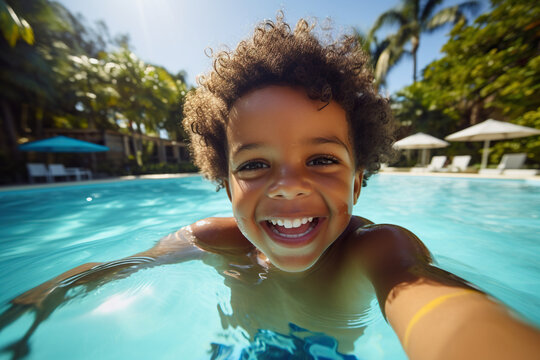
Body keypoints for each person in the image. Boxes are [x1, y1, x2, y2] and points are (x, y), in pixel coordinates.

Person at [2, 15, 539, 360]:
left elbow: (440, 311)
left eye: (322, 158)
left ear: (357, 181)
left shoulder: (377, 251)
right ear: (224, 179)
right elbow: (111, 270)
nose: (288, 186)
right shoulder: (212, 240)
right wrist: (38, 298)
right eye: (256, 164)